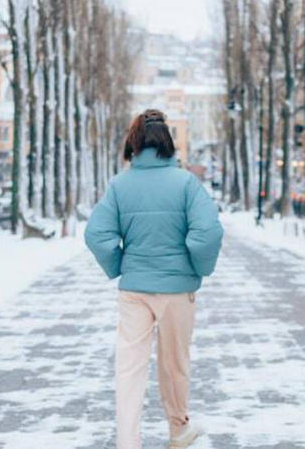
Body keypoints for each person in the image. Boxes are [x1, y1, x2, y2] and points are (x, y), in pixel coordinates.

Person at [85, 109, 224, 449]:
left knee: (129, 366)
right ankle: (178, 429)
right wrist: (196, 268)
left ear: (133, 143)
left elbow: (96, 234)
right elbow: (207, 235)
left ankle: (128, 441)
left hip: (134, 290)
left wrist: (122, 264)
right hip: (178, 290)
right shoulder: (187, 183)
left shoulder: (120, 185)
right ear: (168, 144)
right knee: (174, 363)